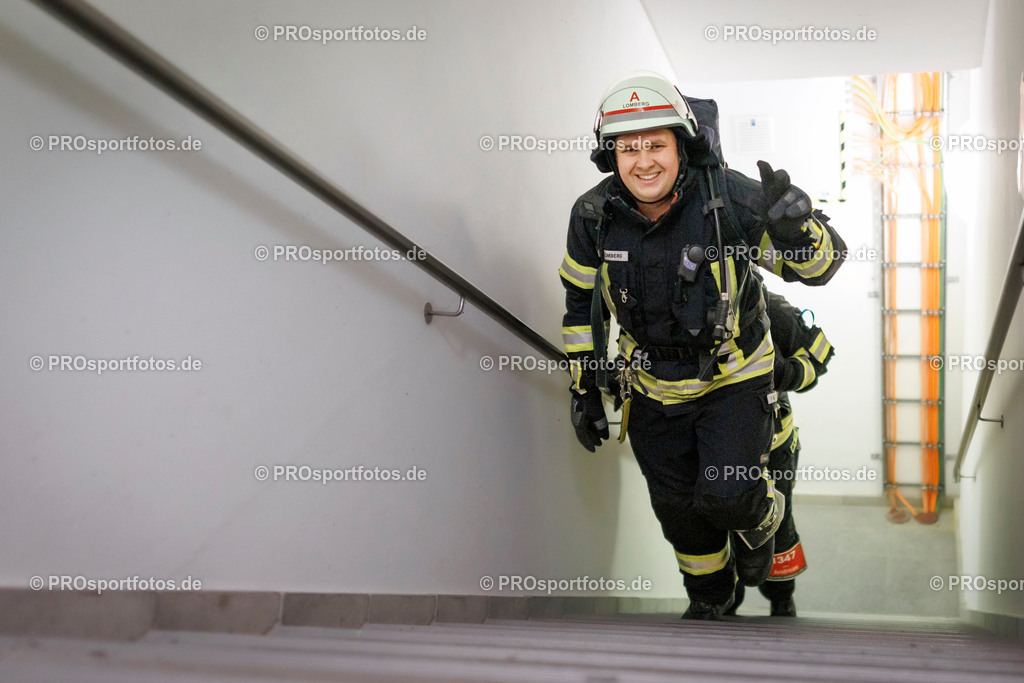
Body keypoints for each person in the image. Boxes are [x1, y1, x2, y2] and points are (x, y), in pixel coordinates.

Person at [559, 71, 846, 619]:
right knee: (678, 514)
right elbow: (580, 307)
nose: (643, 161)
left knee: (727, 495)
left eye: (656, 145)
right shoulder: (592, 216)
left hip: (732, 380)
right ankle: (713, 599)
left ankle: (764, 530)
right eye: (628, 147)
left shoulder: (728, 198)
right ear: (610, 154)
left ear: (682, 144)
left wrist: (800, 231)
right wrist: (585, 389)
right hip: (650, 389)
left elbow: (820, 269)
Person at [726, 285, 836, 617]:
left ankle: (781, 597)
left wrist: (785, 374)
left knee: (776, 522)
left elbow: (819, 354)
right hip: (714, 449)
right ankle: (726, 601)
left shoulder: (767, 305)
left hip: (773, 449)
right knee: (717, 521)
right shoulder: (680, 304)